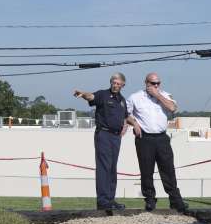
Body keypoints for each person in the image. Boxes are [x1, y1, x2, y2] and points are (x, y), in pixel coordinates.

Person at [74, 72, 138, 211]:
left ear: (123, 85)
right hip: (104, 134)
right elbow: (91, 96)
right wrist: (83, 94)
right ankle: (103, 201)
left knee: (112, 168)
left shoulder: (121, 100)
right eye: (113, 83)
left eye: (118, 83)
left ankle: (110, 199)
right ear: (111, 83)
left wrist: (136, 125)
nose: (115, 85)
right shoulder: (103, 94)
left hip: (116, 137)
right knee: (104, 167)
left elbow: (126, 116)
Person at [126, 72, 188, 212]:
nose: (156, 85)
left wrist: (157, 95)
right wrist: (134, 123)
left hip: (161, 138)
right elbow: (126, 114)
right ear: (146, 83)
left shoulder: (165, 95)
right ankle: (149, 200)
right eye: (153, 83)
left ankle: (175, 200)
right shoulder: (135, 97)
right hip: (144, 138)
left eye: (158, 83)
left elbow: (173, 108)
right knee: (146, 171)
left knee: (168, 170)